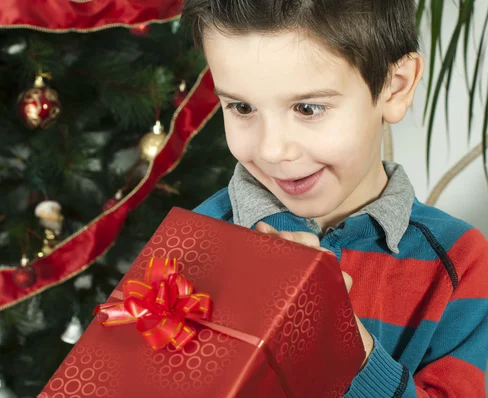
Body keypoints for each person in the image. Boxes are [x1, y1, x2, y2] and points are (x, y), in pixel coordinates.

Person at [182, 0, 488, 396]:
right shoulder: (193, 241)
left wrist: (350, 353)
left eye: (308, 108)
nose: (273, 149)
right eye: (242, 107)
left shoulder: (460, 262)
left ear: (394, 88)